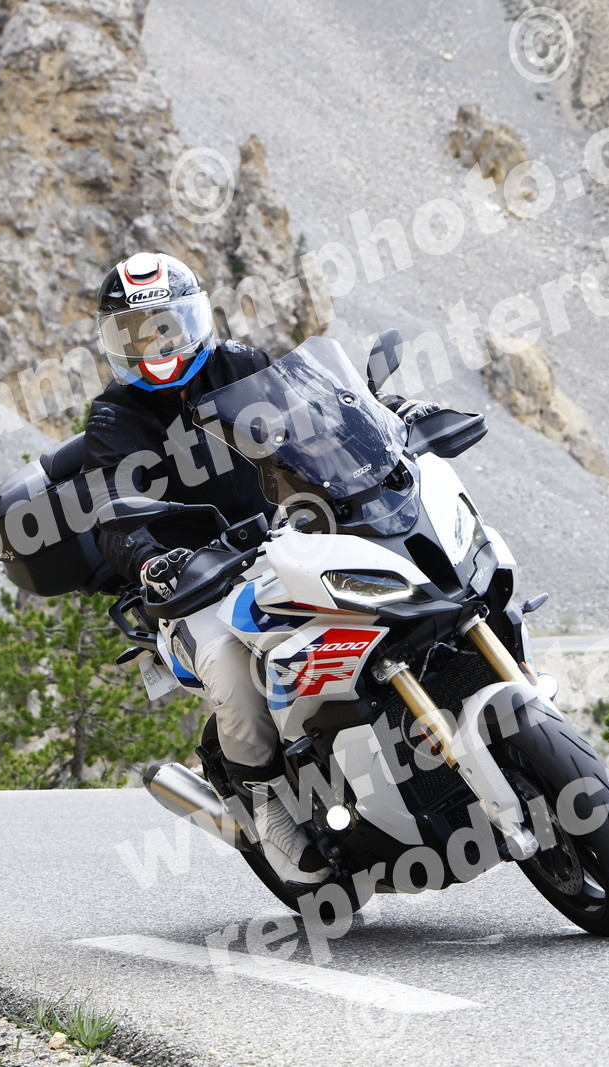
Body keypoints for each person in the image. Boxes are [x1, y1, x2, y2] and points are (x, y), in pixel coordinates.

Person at [81, 251, 433, 887]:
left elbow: (319, 414)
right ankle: (268, 802)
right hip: (194, 582)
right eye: (135, 334)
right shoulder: (114, 417)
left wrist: (387, 420)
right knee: (229, 666)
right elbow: (114, 514)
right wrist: (152, 561)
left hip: (287, 539)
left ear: (192, 319)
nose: (155, 345)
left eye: (164, 326)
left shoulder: (240, 365)